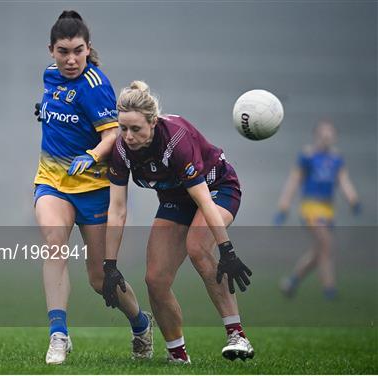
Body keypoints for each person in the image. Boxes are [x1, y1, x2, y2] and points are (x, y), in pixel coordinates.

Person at [102, 80, 255, 363]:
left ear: (153, 122)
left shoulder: (176, 139)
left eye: (136, 129)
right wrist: (109, 265)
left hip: (216, 190)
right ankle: (177, 356)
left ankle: (237, 335)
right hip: (177, 201)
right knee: (155, 279)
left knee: (197, 247)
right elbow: (118, 210)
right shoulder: (122, 150)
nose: (129, 136)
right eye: (123, 128)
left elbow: (204, 201)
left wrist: (227, 250)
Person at [33, 11, 152, 365]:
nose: (71, 59)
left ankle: (141, 325)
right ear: (51, 50)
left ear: (88, 49)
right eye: (63, 51)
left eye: (78, 51)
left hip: (94, 186)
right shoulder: (50, 75)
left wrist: (92, 154)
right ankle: (59, 335)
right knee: (54, 243)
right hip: (53, 181)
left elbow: (113, 133)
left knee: (100, 278)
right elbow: (61, 113)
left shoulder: (95, 84)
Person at [274, 120, 360, 300]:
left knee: (319, 250)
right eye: (323, 133)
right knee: (327, 244)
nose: (327, 136)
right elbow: (294, 180)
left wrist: (353, 199)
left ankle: (292, 282)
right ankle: (329, 289)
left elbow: (343, 181)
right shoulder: (307, 156)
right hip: (310, 207)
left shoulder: (337, 158)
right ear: (316, 136)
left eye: (330, 133)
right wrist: (284, 206)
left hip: (328, 208)